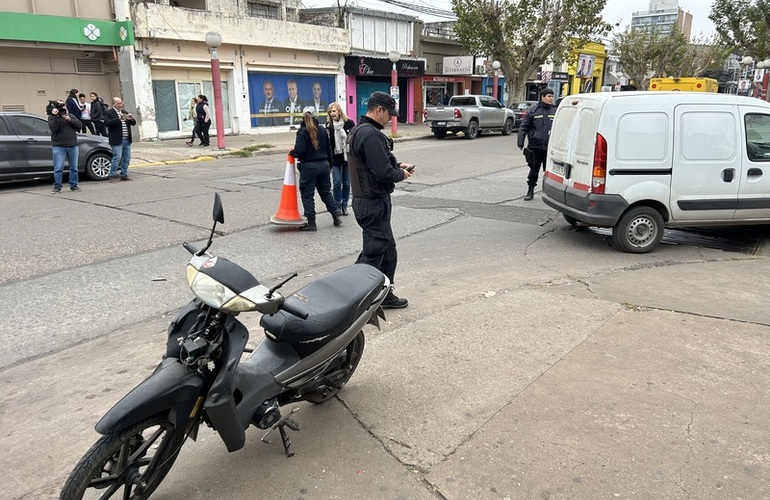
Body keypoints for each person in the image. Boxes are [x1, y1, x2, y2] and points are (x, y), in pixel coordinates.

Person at [347, 91, 414, 309]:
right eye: (389, 114)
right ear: (379, 110)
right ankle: (352, 297)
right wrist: (400, 174)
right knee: (374, 251)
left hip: (370, 201)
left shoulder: (359, 131)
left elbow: (373, 164)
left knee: (386, 249)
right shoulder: (370, 134)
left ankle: (384, 293)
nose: (390, 119)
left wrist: (397, 166)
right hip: (372, 202)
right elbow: (382, 172)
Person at [289, 106, 341, 232]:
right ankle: (335, 215)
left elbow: (299, 150)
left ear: (303, 117)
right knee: (325, 192)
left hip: (309, 167)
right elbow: (329, 150)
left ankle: (311, 223)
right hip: (324, 165)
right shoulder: (322, 130)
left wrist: (292, 152)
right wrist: (330, 165)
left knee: (307, 195)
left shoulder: (302, 131)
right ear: (316, 116)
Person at [517, 88, 556, 201]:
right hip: (535, 147)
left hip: (550, 148)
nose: (551, 98)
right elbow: (523, 127)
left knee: (549, 172)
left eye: (552, 96)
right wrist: (520, 142)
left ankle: (549, 193)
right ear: (542, 97)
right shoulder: (533, 111)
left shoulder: (555, 110)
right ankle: (530, 191)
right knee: (534, 170)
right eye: (549, 96)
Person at [326, 102, 355, 215]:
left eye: (334, 111)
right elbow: (327, 144)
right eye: (330, 111)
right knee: (337, 182)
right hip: (335, 158)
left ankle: (344, 205)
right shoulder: (329, 126)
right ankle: (337, 205)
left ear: (339, 111)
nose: (332, 113)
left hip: (347, 158)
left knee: (347, 183)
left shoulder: (349, 123)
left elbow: (353, 139)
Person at [48, 101, 82, 193]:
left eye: (63, 106)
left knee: (74, 167)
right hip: (59, 146)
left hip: (72, 145)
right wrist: (56, 116)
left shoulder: (70, 115)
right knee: (58, 168)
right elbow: (54, 128)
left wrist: (69, 119)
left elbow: (80, 126)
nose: (61, 109)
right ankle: (57, 186)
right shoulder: (52, 117)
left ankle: (74, 185)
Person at [104, 96, 136, 182]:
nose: (120, 105)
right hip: (117, 139)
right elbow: (107, 123)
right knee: (117, 157)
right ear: (114, 104)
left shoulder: (124, 112)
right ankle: (112, 175)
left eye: (121, 103)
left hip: (127, 139)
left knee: (127, 157)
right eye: (118, 103)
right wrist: (118, 119)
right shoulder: (109, 113)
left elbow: (133, 123)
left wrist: (131, 118)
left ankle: (124, 174)